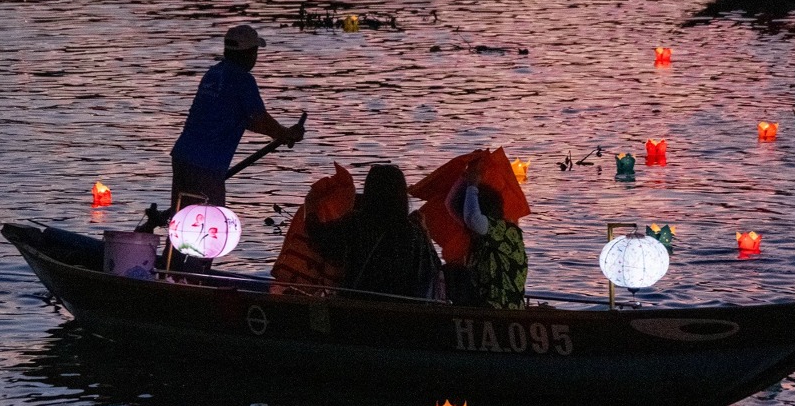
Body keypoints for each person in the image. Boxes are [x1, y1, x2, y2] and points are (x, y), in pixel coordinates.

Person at [170, 24, 305, 212]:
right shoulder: (243, 80)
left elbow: (238, 117)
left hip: (182, 157)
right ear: (249, 53)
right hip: (206, 164)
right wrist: (286, 133)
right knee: (209, 221)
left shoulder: (213, 73)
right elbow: (260, 119)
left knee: (182, 216)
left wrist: (281, 134)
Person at [306, 164, 442, 299]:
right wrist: (425, 231)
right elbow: (434, 267)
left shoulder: (355, 224)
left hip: (356, 307)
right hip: (403, 312)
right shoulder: (414, 231)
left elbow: (319, 237)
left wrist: (310, 205)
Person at [459, 159, 528, 309]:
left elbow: (472, 218)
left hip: (504, 311)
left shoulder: (506, 232)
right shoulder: (481, 242)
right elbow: (452, 205)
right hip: (483, 308)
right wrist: (466, 176)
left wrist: (472, 186)